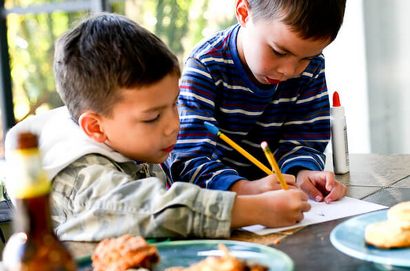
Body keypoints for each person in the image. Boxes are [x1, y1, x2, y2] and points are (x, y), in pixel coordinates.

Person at [5, 13, 310, 242]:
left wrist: (251, 192)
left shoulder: (131, 142)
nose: (172, 125)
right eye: (152, 117)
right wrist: (255, 210)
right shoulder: (81, 170)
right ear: (96, 128)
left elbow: (172, 195)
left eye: (175, 104)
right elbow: (141, 207)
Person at [165, 0, 347, 203]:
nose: (289, 71)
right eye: (279, 51)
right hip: (218, 202)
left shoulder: (311, 67)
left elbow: (304, 140)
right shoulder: (205, 67)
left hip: (277, 197)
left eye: (306, 58)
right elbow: (188, 161)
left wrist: (302, 173)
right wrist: (245, 189)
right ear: (243, 13)